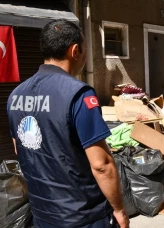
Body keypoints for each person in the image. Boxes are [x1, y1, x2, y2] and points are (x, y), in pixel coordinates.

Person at [7, 20, 129, 228]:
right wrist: (119, 210)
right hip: (83, 216)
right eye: (85, 50)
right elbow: (102, 165)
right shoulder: (79, 95)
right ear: (75, 51)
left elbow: (21, 148)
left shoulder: (16, 95)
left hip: (42, 213)